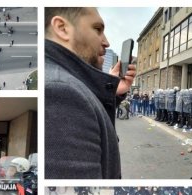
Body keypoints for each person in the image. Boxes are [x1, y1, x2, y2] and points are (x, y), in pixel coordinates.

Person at [45, 7, 135, 179]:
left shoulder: (67, 85)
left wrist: (111, 90)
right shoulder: (60, 92)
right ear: (62, 28)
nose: (106, 42)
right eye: (98, 29)